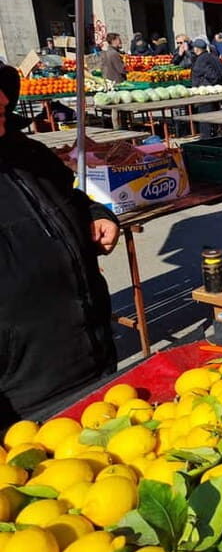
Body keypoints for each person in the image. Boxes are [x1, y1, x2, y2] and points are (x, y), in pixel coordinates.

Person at [0, 65, 119, 426]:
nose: (4, 100)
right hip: (26, 397)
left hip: (94, 359)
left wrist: (99, 214)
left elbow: (72, 197)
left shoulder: (28, 152)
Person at [191, 38, 222, 138]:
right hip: (214, 92)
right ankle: (215, 135)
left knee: (205, 118)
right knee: (214, 117)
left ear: (196, 49)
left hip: (205, 93)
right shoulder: (213, 56)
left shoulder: (201, 59)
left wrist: (208, 85)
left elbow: (211, 75)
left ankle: (206, 139)